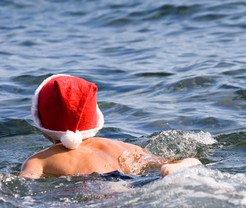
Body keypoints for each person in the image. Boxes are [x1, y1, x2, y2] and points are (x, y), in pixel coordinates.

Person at [20, 74, 201, 179]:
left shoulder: (39, 161)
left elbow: (23, 186)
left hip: (92, 197)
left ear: (41, 122)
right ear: (95, 118)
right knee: (168, 165)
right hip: (131, 186)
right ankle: (184, 165)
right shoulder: (124, 148)